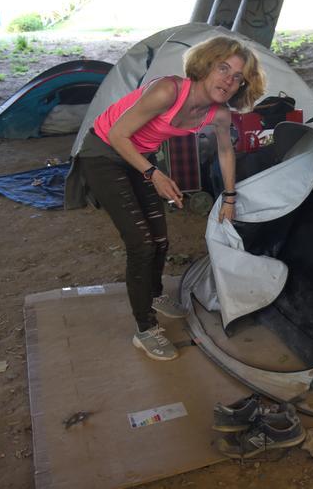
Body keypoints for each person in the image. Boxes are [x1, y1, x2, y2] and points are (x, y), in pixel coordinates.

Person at [73, 36, 266, 361]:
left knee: (160, 240)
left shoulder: (218, 114)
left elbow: (225, 150)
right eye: (223, 69)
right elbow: (118, 135)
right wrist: (154, 174)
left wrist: (230, 197)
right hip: (104, 152)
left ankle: (154, 294)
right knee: (142, 243)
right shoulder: (168, 91)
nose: (229, 81)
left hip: (139, 156)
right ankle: (145, 329)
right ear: (206, 65)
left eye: (237, 77)